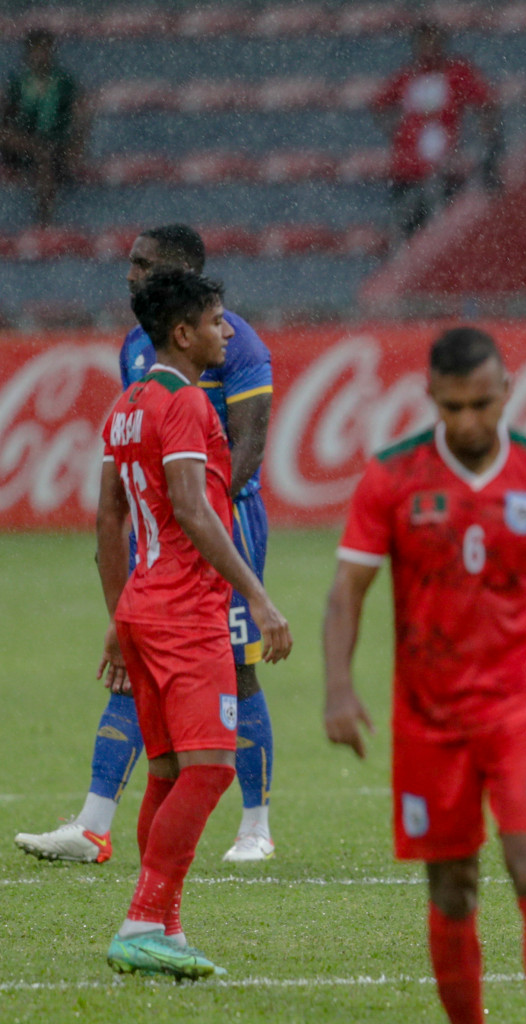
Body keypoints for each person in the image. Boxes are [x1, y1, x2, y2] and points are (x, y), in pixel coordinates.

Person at [322, 328, 526, 1024]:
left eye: (482, 404)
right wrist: (337, 685)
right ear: (431, 397)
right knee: (452, 885)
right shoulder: (391, 476)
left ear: (507, 391)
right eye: (452, 407)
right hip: (427, 714)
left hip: (522, 704)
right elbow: (346, 592)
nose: (468, 422)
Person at [15, 224, 279, 866]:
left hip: (224, 523)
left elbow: (249, 443)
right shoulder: (137, 345)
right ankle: (94, 824)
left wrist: (205, 510)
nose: (129, 273)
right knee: (138, 662)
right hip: (167, 524)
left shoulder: (238, 342)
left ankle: (256, 827)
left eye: (143, 264)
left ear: (180, 271)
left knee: (235, 667)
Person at [98, 269, 293, 978]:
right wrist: (258, 597)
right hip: (187, 614)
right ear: (183, 332)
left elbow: (109, 521)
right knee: (210, 770)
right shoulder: (182, 405)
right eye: (217, 320)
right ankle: (143, 920)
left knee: (167, 772)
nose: (228, 331)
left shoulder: (127, 403)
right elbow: (191, 506)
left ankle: (164, 927)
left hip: (145, 608)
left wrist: (119, 615)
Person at [373, 20, 500, 240]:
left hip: (444, 171)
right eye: (423, 43)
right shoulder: (406, 77)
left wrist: (486, 135)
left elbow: (485, 102)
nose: (428, 48)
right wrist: (396, 132)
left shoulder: (457, 72)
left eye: (433, 42)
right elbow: (380, 104)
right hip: (408, 170)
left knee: (442, 234)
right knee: (409, 232)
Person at [0, 28, 89, 224]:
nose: (41, 56)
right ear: (28, 54)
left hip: (55, 147)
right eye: (37, 51)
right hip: (23, 147)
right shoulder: (18, 84)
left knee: (45, 154)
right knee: (36, 148)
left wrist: (77, 148)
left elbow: (81, 117)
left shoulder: (64, 83)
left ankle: (44, 219)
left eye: (45, 50)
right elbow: (5, 120)